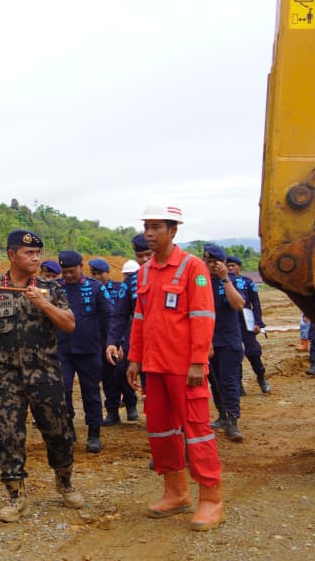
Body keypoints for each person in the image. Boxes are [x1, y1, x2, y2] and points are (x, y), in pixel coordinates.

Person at [0, 229, 84, 522]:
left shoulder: (50, 288)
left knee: (58, 431)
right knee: (7, 435)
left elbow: (69, 324)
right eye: (29, 253)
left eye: (38, 253)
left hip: (44, 373)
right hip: (3, 375)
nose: (36, 258)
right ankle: (16, 495)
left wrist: (43, 304)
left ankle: (65, 481)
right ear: (11, 255)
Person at [127, 202, 226, 531]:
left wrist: (198, 361)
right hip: (154, 367)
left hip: (185, 369)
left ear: (173, 230)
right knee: (161, 431)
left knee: (196, 433)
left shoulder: (193, 268)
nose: (149, 233)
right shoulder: (144, 272)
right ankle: (176, 493)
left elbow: (203, 317)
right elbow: (140, 319)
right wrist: (135, 358)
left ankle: (212, 500)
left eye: (157, 227)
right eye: (147, 227)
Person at [56, 250, 114, 453]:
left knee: (91, 392)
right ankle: (68, 429)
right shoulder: (56, 287)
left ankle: (94, 434)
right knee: (63, 390)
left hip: (89, 349)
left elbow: (108, 317)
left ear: (81, 267)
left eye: (72, 271)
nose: (68, 276)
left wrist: (111, 343)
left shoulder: (95, 287)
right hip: (62, 350)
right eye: (64, 272)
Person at [202, 244, 245, 443]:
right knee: (215, 381)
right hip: (207, 340)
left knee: (229, 381)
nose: (211, 266)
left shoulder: (233, 280)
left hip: (229, 339)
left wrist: (225, 278)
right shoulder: (200, 281)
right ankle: (222, 414)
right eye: (208, 262)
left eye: (215, 262)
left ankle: (232, 421)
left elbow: (238, 304)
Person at [102, 259, 140, 425]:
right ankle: (112, 410)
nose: (129, 278)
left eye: (132, 275)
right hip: (108, 339)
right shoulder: (119, 289)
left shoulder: (127, 289)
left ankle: (131, 405)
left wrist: (123, 343)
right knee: (109, 377)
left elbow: (127, 320)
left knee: (125, 374)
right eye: (127, 275)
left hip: (129, 339)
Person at [226, 255, 270, 394]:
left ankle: (261, 377)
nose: (230, 268)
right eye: (228, 266)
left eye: (233, 265)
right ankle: (238, 384)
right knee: (235, 353)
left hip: (247, 321)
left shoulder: (247, 282)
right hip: (231, 322)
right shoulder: (223, 282)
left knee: (253, 351)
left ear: (240, 267)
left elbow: (255, 303)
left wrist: (258, 322)